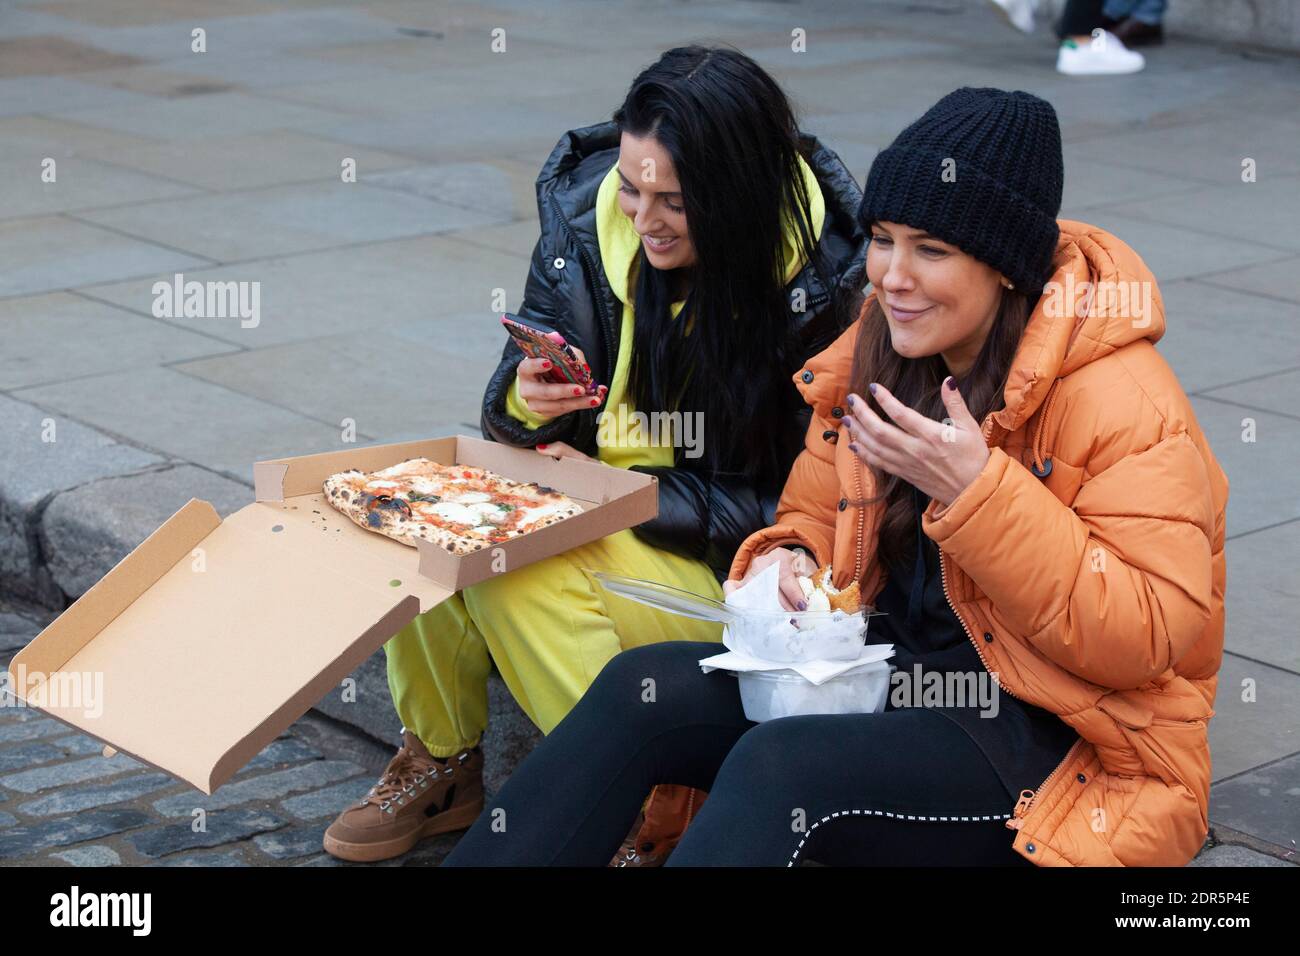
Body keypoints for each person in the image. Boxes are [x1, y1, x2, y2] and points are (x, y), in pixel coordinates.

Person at [441, 87, 1229, 867]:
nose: (891, 276)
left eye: (932, 249)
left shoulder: (1120, 397)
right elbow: (812, 516)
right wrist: (793, 558)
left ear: (1007, 269)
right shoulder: (879, 347)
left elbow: (1148, 638)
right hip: (892, 672)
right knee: (638, 690)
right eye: (884, 238)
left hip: (1064, 736)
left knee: (782, 769)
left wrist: (982, 496)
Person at [321, 45, 868, 863]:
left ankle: (631, 803)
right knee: (426, 523)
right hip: (595, 508)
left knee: (514, 571)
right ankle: (441, 762)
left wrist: (628, 493)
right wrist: (526, 397)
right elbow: (513, 407)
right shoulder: (585, 224)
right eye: (632, 186)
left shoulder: (818, 291)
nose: (643, 218)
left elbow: (803, 505)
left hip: (736, 564)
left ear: (736, 196)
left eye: (674, 201)